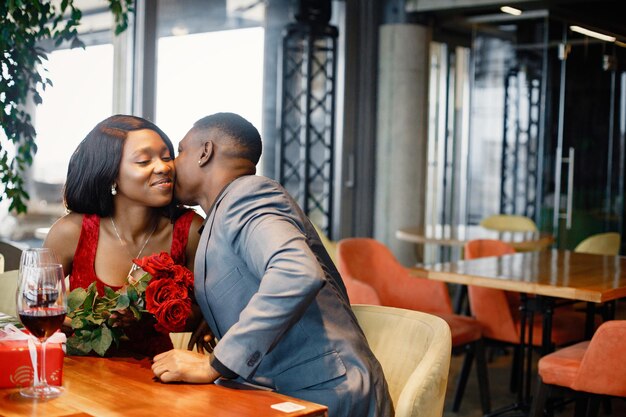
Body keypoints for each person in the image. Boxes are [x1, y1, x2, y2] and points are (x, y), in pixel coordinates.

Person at [151, 113, 393, 417]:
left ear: (205, 151)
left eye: (181, 150)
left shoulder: (248, 195)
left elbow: (296, 272)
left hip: (330, 394)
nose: (173, 163)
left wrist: (216, 364)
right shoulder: (222, 213)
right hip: (290, 392)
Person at [44, 114, 205, 356]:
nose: (163, 167)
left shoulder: (190, 230)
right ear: (110, 174)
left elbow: (202, 315)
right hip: (81, 375)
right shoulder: (71, 232)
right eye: (143, 161)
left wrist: (151, 315)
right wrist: (76, 320)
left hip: (156, 376)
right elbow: (38, 306)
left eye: (166, 157)